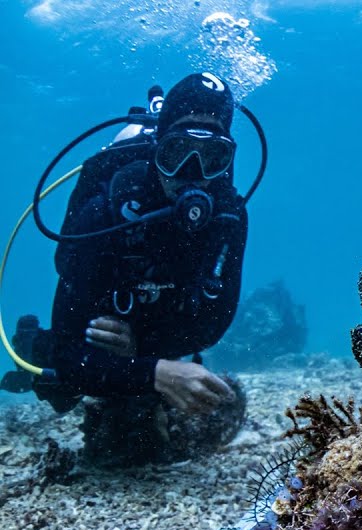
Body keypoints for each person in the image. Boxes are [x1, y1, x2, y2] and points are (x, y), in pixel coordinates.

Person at [20, 72, 252, 465]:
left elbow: (213, 327)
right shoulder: (108, 210)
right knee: (59, 386)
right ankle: (26, 336)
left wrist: (144, 353)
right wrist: (155, 372)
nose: (192, 174)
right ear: (157, 147)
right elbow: (66, 350)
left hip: (151, 334)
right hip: (99, 325)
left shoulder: (228, 216)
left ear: (227, 160)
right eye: (178, 152)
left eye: (212, 157)